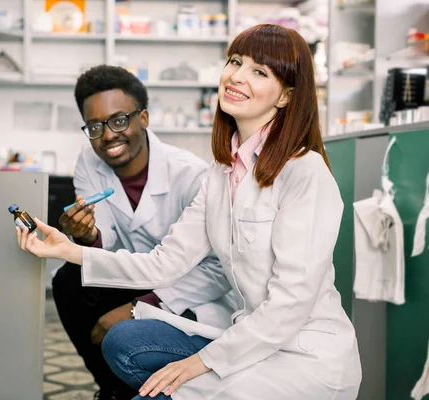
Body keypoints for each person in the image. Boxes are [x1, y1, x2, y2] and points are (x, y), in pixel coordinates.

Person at [19, 24, 362, 400]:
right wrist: (66, 249)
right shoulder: (222, 173)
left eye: (260, 72)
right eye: (235, 62)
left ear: (285, 97)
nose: (237, 77)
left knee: (159, 393)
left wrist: (198, 365)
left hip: (304, 358)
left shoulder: (304, 172)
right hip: (248, 339)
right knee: (123, 342)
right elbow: (161, 264)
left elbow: (289, 306)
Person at [52, 65, 234, 400]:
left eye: (119, 120)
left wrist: (142, 306)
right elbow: (102, 237)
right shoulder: (89, 162)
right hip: (135, 272)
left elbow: (218, 269)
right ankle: (113, 388)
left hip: (189, 288)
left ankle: (135, 377)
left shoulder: (191, 176)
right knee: (68, 280)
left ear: (144, 118)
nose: (108, 135)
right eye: (95, 126)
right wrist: (85, 233)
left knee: (122, 331)